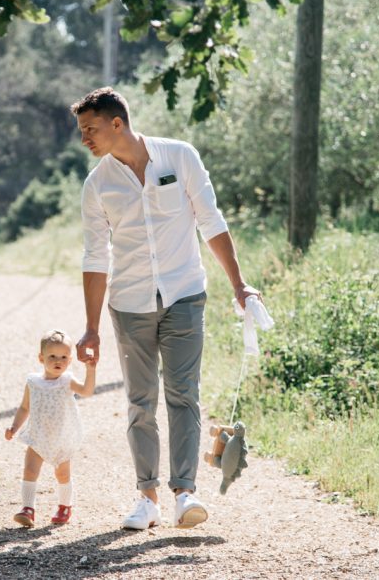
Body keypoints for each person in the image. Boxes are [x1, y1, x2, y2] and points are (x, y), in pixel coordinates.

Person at [72, 87, 261, 530]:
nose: (85, 139)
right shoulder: (97, 184)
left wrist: (238, 284)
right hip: (130, 303)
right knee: (141, 402)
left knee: (183, 394)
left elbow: (211, 221)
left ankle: (184, 493)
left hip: (184, 294)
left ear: (117, 123)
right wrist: (91, 327)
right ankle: (147, 498)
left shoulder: (180, 157)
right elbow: (95, 258)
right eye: (82, 132)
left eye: (91, 130)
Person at [5, 329, 97, 527]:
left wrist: (90, 370)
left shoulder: (67, 381)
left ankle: (65, 506)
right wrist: (14, 427)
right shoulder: (33, 382)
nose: (58, 361)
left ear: (70, 360)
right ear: (41, 358)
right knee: (29, 470)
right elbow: (24, 407)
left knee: (63, 474)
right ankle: (27, 509)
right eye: (52, 356)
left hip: (62, 437)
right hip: (38, 435)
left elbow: (87, 391)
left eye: (63, 357)